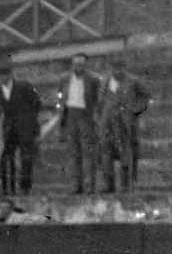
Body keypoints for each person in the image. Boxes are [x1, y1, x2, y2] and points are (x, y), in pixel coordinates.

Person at [97, 60, 150, 193]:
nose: (117, 71)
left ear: (124, 67)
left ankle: (125, 185)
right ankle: (109, 185)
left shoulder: (133, 81)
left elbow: (145, 98)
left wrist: (135, 110)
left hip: (124, 123)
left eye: (120, 68)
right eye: (114, 68)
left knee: (125, 154)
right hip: (107, 123)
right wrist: (100, 117)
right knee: (106, 154)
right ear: (110, 68)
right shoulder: (105, 81)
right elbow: (100, 101)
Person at [0, 59, 41, 195]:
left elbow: (37, 103)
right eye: (0, 75)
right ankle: (10, 187)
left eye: (5, 75)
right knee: (8, 157)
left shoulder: (24, 86)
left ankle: (25, 187)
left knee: (26, 158)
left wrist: (29, 120)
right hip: (9, 128)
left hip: (25, 127)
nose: (2, 78)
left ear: (10, 75)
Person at [56, 54, 101, 193]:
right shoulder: (64, 79)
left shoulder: (93, 79)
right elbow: (60, 98)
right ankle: (75, 186)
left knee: (87, 152)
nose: (78, 67)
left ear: (85, 65)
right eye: (75, 64)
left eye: (81, 64)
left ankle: (89, 186)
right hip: (70, 115)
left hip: (85, 115)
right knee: (73, 152)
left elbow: (97, 100)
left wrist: (94, 117)